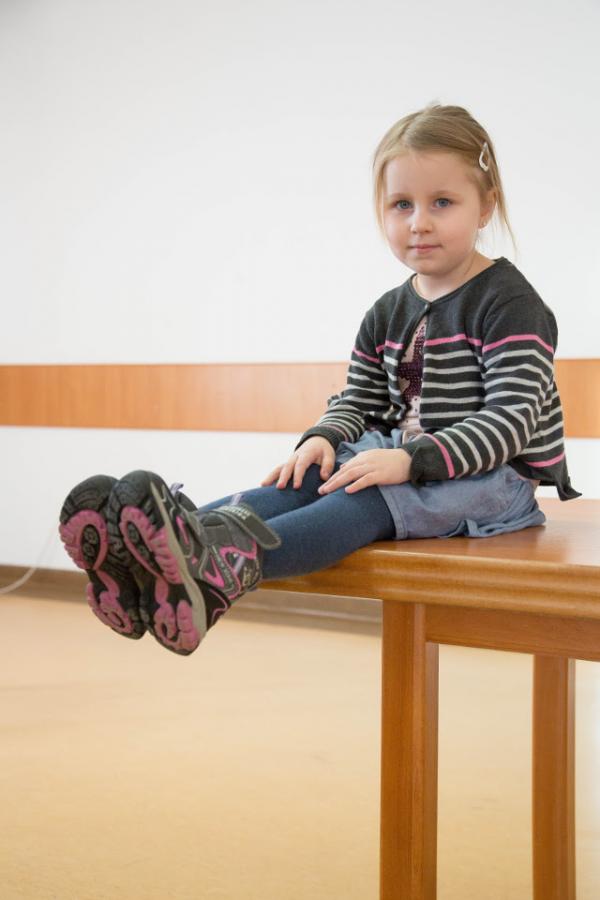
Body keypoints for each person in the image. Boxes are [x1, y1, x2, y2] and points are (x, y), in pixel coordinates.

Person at [59, 102, 579, 658]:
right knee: (306, 479)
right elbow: (359, 397)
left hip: (492, 478)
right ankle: (158, 551)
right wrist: (325, 436)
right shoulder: (387, 310)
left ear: (486, 206)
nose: (419, 222)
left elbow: (509, 422)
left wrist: (411, 461)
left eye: (442, 203)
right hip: (401, 453)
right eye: (401, 204)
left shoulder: (510, 304)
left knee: (366, 498)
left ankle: (213, 569)